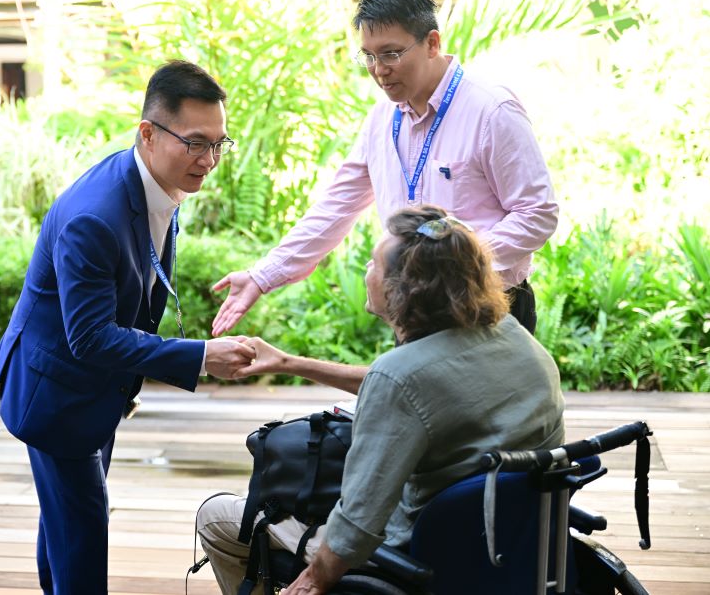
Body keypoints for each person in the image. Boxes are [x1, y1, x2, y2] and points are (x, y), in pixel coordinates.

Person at [197, 205, 565, 595]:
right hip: (516, 533)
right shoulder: (513, 336)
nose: (367, 273)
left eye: (374, 265)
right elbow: (418, 386)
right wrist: (290, 363)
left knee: (218, 518)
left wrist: (312, 580)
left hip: (421, 546)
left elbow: (356, 526)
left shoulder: (402, 376)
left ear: (405, 289)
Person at [0, 60, 256, 594]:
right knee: (84, 526)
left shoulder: (153, 181)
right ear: (148, 134)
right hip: (56, 394)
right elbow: (89, 336)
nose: (210, 161)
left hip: (93, 391)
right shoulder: (95, 215)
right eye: (197, 144)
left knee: (67, 521)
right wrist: (201, 355)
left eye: (219, 145)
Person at [212, 0, 558, 338]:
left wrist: (458, 268)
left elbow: (538, 213)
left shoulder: (491, 110)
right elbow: (337, 206)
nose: (379, 70)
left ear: (432, 43)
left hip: (488, 308)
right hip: (413, 312)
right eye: (368, 56)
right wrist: (262, 275)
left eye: (391, 54)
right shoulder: (382, 117)